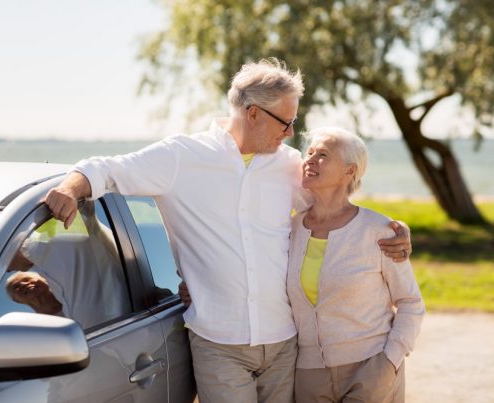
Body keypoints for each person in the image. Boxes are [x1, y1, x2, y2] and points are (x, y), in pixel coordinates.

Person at [44, 58, 411, 403]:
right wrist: (70, 188)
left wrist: (393, 230)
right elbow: (108, 170)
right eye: (285, 122)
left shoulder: (288, 166)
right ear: (253, 114)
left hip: (284, 341)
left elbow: (334, 209)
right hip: (219, 342)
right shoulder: (181, 158)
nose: (290, 132)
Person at [287, 127, 424, 402]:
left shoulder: (380, 231)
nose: (310, 160)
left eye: (323, 155)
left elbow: (410, 302)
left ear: (350, 171)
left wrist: (390, 360)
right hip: (308, 376)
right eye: (309, 152)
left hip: (371, 367)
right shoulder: (289, 230)